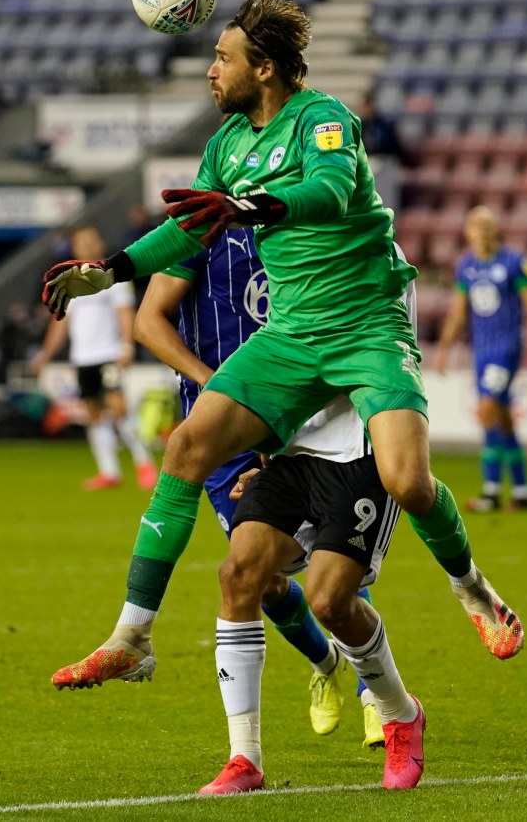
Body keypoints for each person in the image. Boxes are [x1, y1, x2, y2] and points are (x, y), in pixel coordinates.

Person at [42, 0, 524, 693]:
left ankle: (472, 588)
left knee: (406, 481)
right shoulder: (226, 145)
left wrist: (247, 207)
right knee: (186, 445)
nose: (212, 70)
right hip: (292, 334)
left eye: (223, 57)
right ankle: (132, 636)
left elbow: (329, 191)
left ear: (263, 68)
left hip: (365, 325)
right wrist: (111, 270)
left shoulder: (323, 119)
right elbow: (187, 230)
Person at [129, 227, 396, 745]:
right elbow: (148, 320)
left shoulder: (304, 226)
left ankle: (375, 698)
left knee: (337, 560)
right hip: (226, 427)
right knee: (257, 578)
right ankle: (325, 662)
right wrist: (214, 384)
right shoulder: (200, 230)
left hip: (300, 412)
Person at [201, 417, 423, 794]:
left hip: (352, 459)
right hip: (287, 461)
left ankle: (398, 711)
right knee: (239, 575)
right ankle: (245, 757)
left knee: (330, 602)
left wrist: (467, 582)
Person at [433, 205, 527, 512]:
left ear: (494, 231)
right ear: (467, 233)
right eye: (475, 227)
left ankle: (491, 492)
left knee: (486, 409)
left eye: (485, 227)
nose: (481, 233)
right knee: (503, 418)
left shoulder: (514, 263)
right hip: (481, 351)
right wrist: (444, 348)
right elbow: (458, 310)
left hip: (507, 348)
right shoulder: (466, 266)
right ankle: (522, 491)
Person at [30, 225, 158, 492]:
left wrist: (127, 347)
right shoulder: (68, 281)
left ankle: (144, 463)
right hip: (82, 358)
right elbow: (60, 323)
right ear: (74, 247)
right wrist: (45, 355)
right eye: (82, 241)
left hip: (109, 354)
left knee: (118, 408)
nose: (87, 245)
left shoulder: (112, 276)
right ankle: (109, 471)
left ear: (100, 243)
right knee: (92, 413)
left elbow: (126, 314)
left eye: (91, 240)